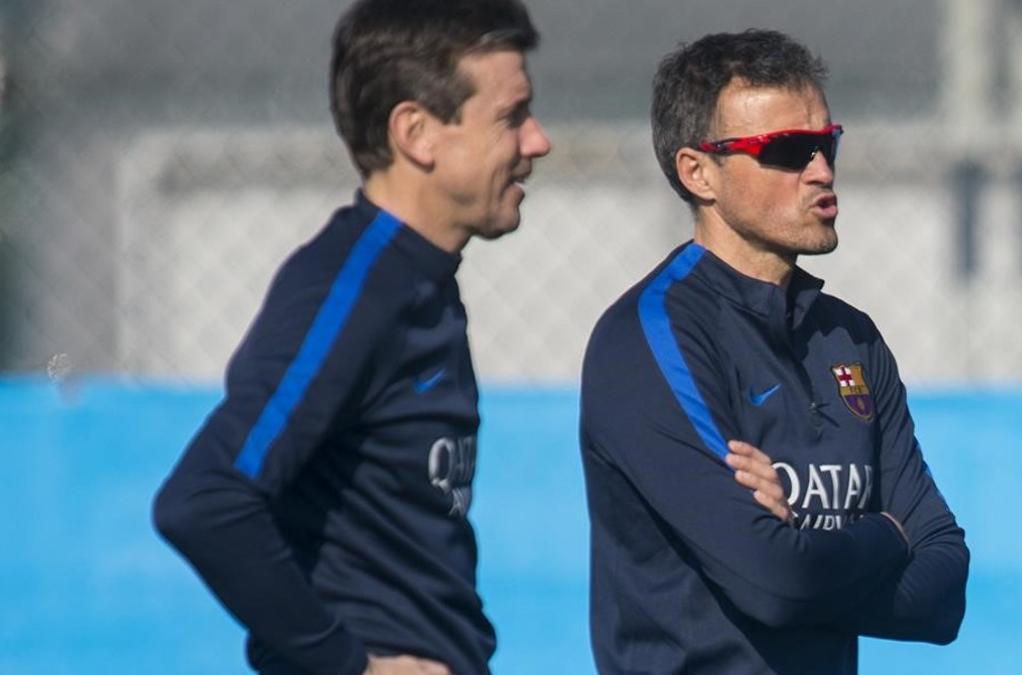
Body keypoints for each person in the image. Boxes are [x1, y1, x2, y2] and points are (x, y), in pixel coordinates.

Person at [152, 1, 550, 673]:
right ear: (417, 133)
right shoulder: (351, 288)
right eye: (511, 117)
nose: (537, 141)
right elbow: (203, 499)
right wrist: (351, 665)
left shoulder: (420, 280)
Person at [579, 29, 968, 674]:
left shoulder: (852, 338)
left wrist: (803, 548)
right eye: (786, 150)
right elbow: (773, 582)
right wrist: (884, 536)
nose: (821, 170)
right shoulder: (651, 337)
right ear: (698, 172)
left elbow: (943, 594)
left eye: (825, 142)